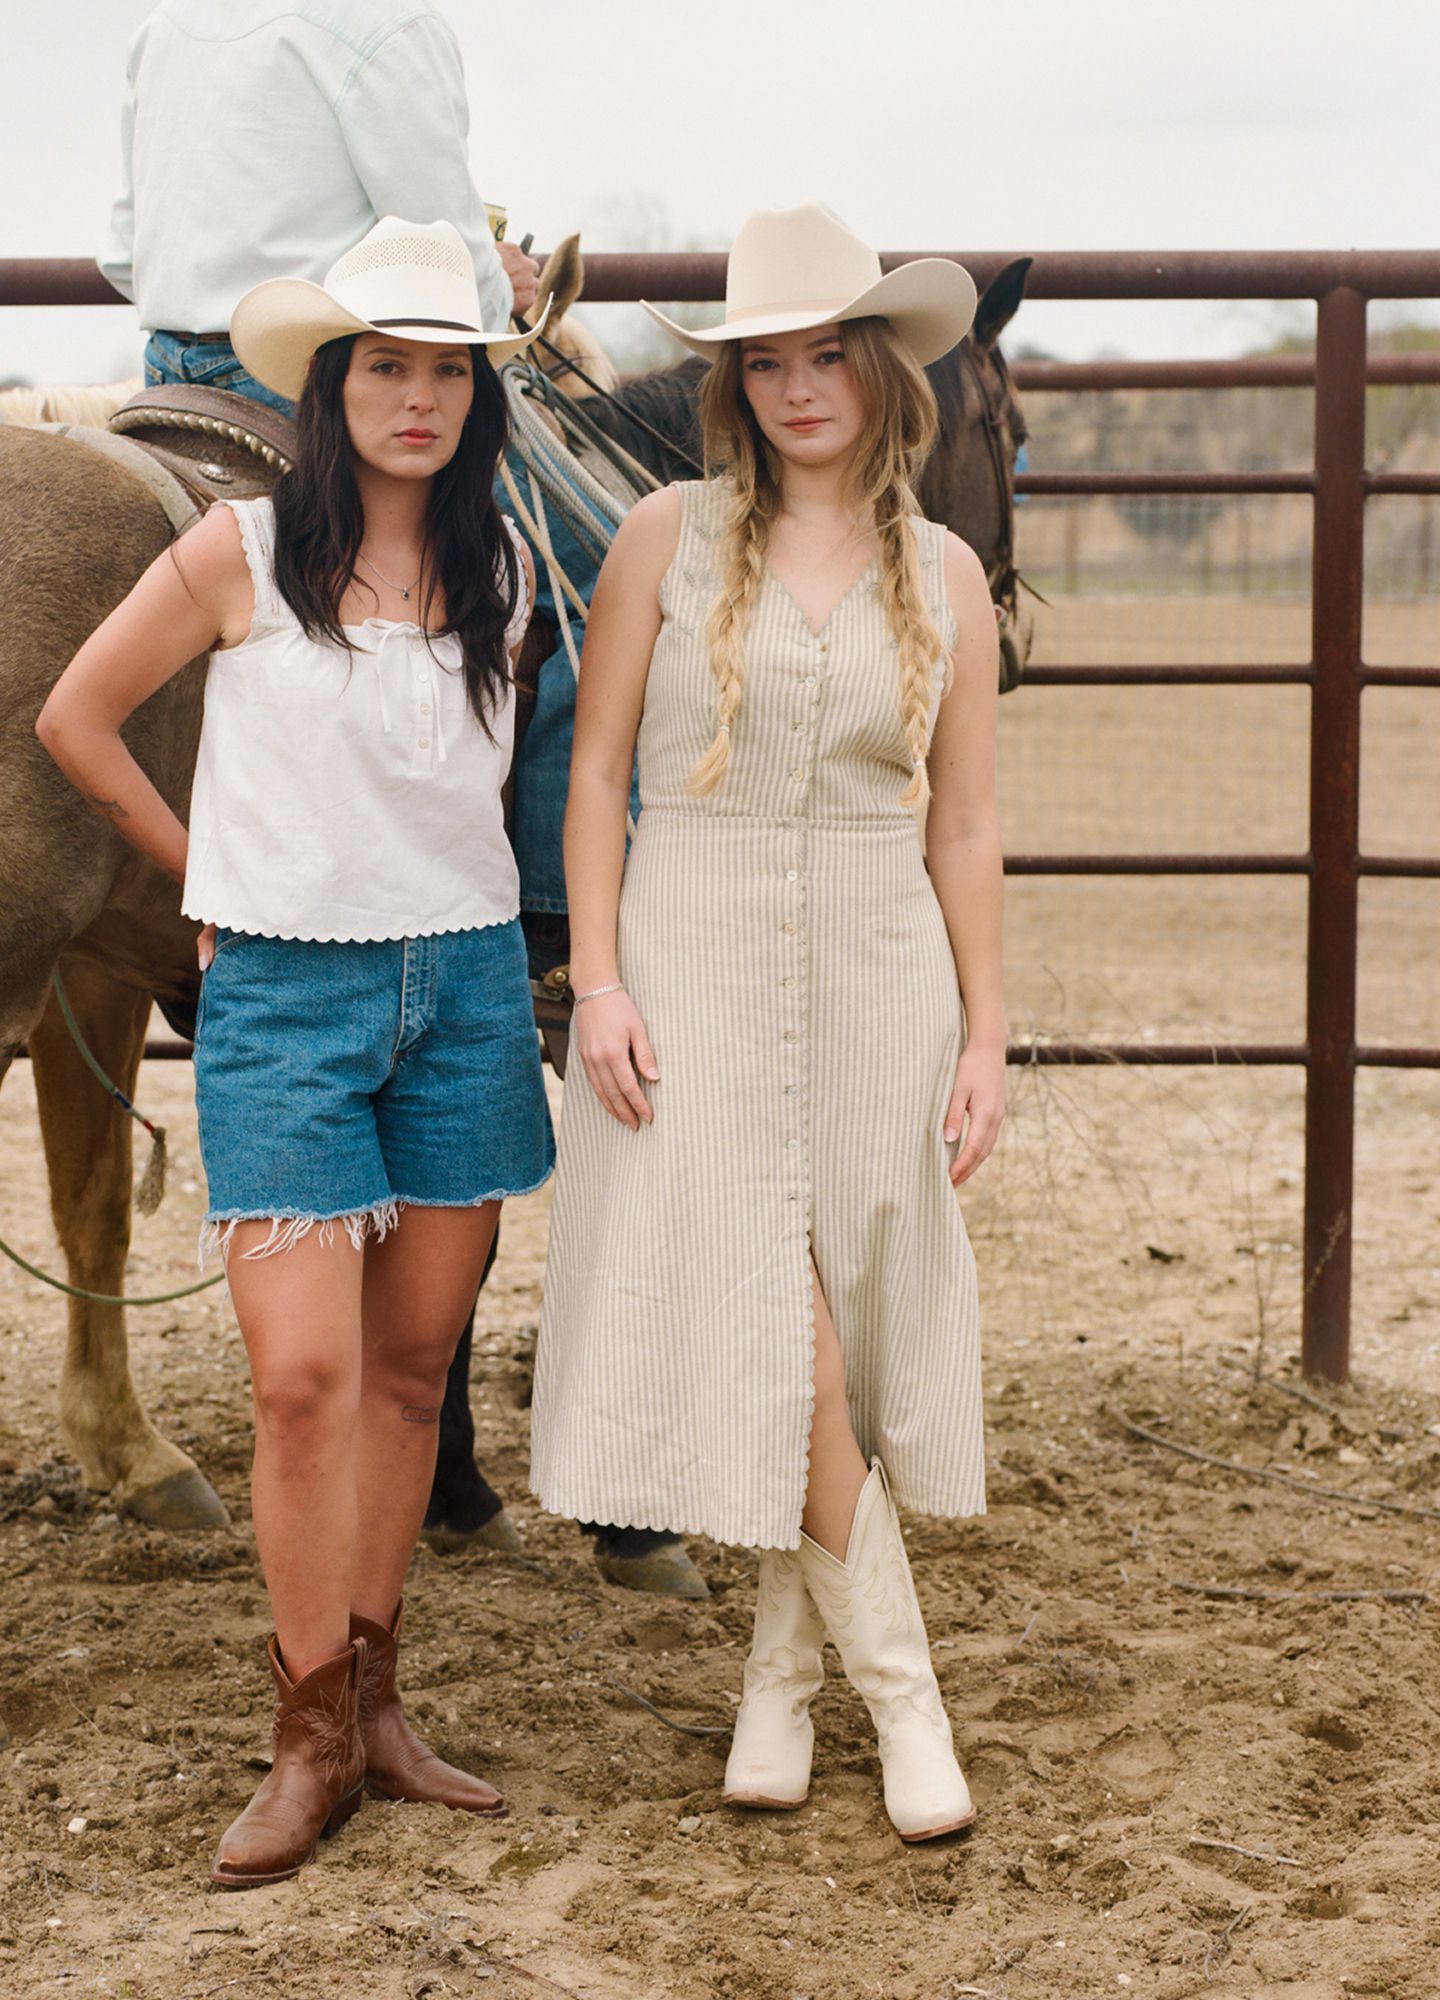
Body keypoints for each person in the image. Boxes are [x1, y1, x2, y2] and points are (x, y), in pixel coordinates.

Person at [36, 217, 555, 1887]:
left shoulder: (510, 570)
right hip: (283, 1003)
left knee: (411, 1378)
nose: (416, 398)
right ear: (334, 389)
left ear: (479, 396)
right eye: (385, 368)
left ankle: (382, 1702)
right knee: (302, 1381)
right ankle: (307, 1729)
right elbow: (75, 717)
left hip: (464, 995)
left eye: (446, 371)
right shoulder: (238, 555)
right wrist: (210, 875)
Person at [530, 203, 1006, 1843]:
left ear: (879, 374)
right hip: (698, 957)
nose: (802, 388)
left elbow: (963, 826)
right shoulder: (665, 537)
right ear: (735, 383)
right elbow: (593, 777)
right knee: (767, 1305)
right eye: (770, 361)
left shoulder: (945, 576)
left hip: (884, 963)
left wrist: (988, 1031)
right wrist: (597, 977)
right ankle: (904, 1690)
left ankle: (775, 1685)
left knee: (849, 1337)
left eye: (829, 356)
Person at [98, 0, 537, 412]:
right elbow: (448, 259)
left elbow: (123, 257)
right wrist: (500, 291)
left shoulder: (165, 23)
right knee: (548, 488)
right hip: (313, 378)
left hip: (166, 377)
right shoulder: (388, 22)